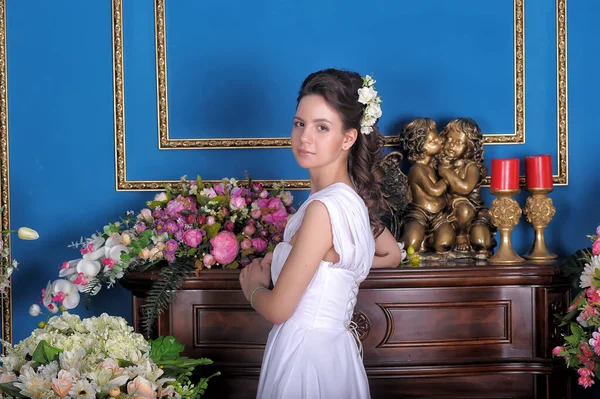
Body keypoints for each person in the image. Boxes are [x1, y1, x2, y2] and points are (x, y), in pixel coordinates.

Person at [239, 68, 402, 399]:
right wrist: (300, 261)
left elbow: (279, 310)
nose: (304, 138)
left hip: (304, 355)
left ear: (348, 138)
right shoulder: (352, 203)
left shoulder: (321, 210)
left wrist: (252, 287)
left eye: (321, 127)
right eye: (300, 123)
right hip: (335, 354)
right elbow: (391, 255)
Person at [399, 118, 455, 253]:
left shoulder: (434, 166)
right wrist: (448, 177)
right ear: (420, 146)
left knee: (445, 243)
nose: (439, 141)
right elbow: (435, 190)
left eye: (437, 139)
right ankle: (420, 245)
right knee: (411, 245)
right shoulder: (417, 169)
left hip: (440, 216)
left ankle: (431, 242)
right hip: (420, 215)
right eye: (433, 141)